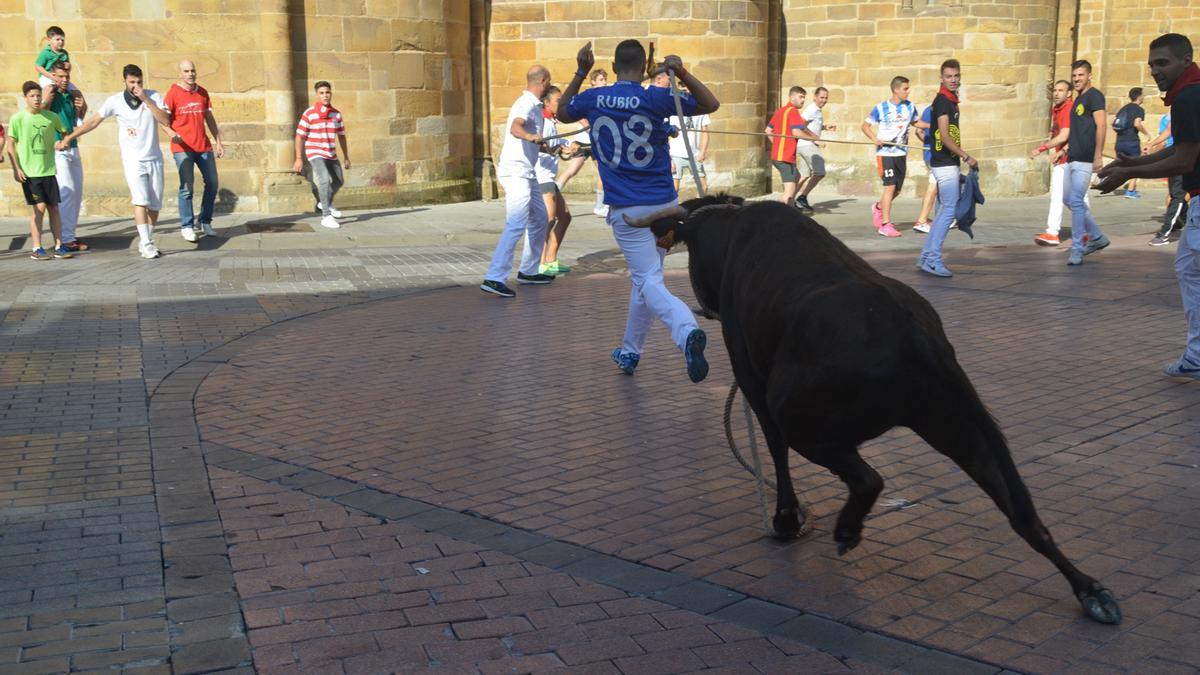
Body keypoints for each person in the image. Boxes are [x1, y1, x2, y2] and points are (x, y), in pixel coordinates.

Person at [559, 40, 718, 382]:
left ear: (614, 67)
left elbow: (561, 112)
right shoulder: (654, 97)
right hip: (664, 206)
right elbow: (711, 104)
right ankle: (630, 352)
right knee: (646, 280)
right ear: (646, 65)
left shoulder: (593, 97)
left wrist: (581, 71)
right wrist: (682, 72)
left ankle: (686, 329)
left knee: (647, 280)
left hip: (629, 210)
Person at [1098, 33, 1200, 380]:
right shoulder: (1193, 91)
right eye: (1152, 65)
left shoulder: (1188, 98)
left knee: (1190, 270)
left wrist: (1127, 171)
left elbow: (1184, 161)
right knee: (1189, 268)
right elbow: (1180, 149)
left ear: (1185, 60)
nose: (1156, 71)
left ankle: (1198, 355)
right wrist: (1131, 166)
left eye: (1163, 63)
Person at [59, 64, 171, 260]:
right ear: (124, 81)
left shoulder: (153, 96)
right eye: (132, 82)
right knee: (141, 200)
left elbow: (165, 120)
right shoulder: (115, 101)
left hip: (154, 157)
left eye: (139, 82)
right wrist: (69, 138)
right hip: (133, 159)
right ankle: (146, 242)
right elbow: (93, 121)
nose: (136, 86)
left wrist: (146, 99)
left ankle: (147, 241)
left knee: (154, 205)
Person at [480, 65, 555, 298]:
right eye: (548, 83)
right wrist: (530, 135)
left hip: (527, 171)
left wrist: (549, 146)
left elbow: (531, 139)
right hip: (516, 171)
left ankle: (529, 271)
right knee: (516, 221)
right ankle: (494, 277)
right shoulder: (526, 103)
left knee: (541, 218)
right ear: (542, 81)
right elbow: (516, 128)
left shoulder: (534, 105)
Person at [918, 59, 978, 277]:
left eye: (956, 76)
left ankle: (926, 256)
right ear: (941, 78)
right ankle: (933, 259)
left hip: (946, 162)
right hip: (944, 163)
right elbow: (944, 136)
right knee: (949, 211)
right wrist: (966, 156)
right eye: (949, 76)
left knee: (945, 211)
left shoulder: (950, 101)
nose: (953, 80)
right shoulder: (943, 101)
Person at [6, 81, 72, 260]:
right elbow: (10, 144)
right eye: (32, 96)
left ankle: (59, 246)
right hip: (30, 173)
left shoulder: (51, 117)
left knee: (54, 208)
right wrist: (16, 168)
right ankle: (37, 248)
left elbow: (64, 133)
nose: (36, 99)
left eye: (38, 95)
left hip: (49, 170)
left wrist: (61, 143)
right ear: (25, 98)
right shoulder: (18, 118)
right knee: (39, 209)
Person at [165, 59, 225, 242]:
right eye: (186, 71)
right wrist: (171, 134)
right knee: (187, 187)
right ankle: (187, 225)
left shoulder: (202, 93)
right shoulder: (173, 93)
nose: (190, 74)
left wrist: (218, 142)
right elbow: (163, 120)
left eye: (193, 70)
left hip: (203, 146)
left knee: (213, 183)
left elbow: (210, 118)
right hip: (182, 148)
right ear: (180, 73)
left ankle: (205, 221)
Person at [862, 77, 923, 237]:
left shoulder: (910, 107)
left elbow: (916, 123)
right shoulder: (881, 107)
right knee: (889, 187)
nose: (908, 91)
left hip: (901, 153)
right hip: (885, 154)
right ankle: (885, 224)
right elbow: (865, 126)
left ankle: (878, 207)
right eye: (905, 88)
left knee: (897, 190)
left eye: (908, 88)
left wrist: (935, 125)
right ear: (896, 90)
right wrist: (875, 139)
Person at [1063, 60, 1110, 266]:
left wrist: (1098, 156)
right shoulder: (1078, 99)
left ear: (1089, 76)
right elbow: (1078, 129)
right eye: (1074, 76)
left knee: (1075, 200)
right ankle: (1097, 237)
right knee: (1068, 199)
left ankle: (1077, 248)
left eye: (1081, 75)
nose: (1076, 79)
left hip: (1085, 159)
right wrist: (1064, 149)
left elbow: (1101, 125)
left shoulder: (1095, 96)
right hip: (1072, 157)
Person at [44, 61, 89, 253]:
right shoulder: (48, 92)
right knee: (67, 191)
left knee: (76, 192)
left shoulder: (70, 93)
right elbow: (40, 114)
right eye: (60, 76)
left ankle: (70, 235)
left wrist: (82, 107)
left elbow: (77, 119)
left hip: (73, 146)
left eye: (66, 76)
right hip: (58, 148)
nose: (64, 79)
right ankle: (64, 239)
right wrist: (46, 98)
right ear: (53, 75)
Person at [1028, 80, 1080, 247]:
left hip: (1070, 159)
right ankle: (1088, 228)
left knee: (1059, 196)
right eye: (1055, 90)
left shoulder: (1068, 108)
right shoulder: (1058, 109)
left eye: (1061, 90)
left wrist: (1042, 148)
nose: (1057, 93)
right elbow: (1059, 132)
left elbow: (1065, 135)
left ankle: (1052, 232)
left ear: (1069, 93)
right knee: (1070, 199)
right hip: (1064, 158)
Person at [293, 81, 349, 229]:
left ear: (331, 93)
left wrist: (346, 157)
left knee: (339, 181)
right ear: (317, 95)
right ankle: (325, 215)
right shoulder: (309, 113)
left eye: (327, 92)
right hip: (315, 152)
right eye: (322, 93)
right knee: (324, 179)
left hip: (330, 152)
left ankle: (325, 202)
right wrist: (298, 158)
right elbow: (299, 136)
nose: (325, 95)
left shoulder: (336, 115)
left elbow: (342, 136)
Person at [537, 84, 573, 277]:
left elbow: (554, 142)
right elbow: (542, 145)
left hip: (549, 174)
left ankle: (550, 259)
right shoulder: (542, 121)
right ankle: (539, 262)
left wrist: (567, 145)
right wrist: (560, 148)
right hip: (542, 175)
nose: (560, 104)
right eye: (558, 101)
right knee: (548, 219)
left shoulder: (551, 121)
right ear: (547, 102)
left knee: (565, 216)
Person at [766, 86, 820, 206]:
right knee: (789, 192)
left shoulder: (780, 111)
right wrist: (814, 140)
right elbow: (797, 132)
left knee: (797, 176)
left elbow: (768, 130)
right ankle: (782, 217)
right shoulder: (793, 111)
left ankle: (783, 208)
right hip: (785, 157)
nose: (803, 100)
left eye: (804, 97)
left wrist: (777, 144)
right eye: (800, 97)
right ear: (792, 97)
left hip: (778, 156)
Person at [1145, 114, 1189, 246]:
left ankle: (1165, 233)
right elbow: (1169, 129)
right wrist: (1152, 143)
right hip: (1176, 155)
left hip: (1188, 156)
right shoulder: (1177, 105)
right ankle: (1181, 222)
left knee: (1178, 196)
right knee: (1176, 193)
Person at [795, 86, 836, 212]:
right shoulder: (812, 109)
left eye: (826, 98)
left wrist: (824, 127)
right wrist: (815, 139)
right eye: (821, 97)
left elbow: (811, 125)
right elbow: (800, 124)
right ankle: (802, 197)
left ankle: (788, 198)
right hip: (808, 145)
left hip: (803, 145)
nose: (824, 100)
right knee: (820, 172)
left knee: (804, 175)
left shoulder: (816, 110)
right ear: (815, 97)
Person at [668, 91, 711, 196]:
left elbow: (705, 133)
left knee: (703, 187)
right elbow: (664, 134)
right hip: (675, 155)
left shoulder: (701, 111)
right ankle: (673, 211)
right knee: (674, 188)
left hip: (694, 155)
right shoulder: (672, 109)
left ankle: (696, 209)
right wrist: (669, 158)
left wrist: (703, 152)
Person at [1113, 87, 1149, 198]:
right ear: (1139, 97)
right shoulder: (1138, 109)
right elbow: (1137, 123)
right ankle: (1130, 191)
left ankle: (1106, 176)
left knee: (1121, 164)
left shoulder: (1123, 108)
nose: (1143, 97)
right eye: (1142, 95)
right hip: (1131, 142)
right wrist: (1146, 133)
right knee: (1135, 166)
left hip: (1119, 141)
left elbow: (1114, 123)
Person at [913, 104, 938, 233]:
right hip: (936, 155)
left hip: (929, 153)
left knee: (939, 186)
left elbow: (918, 131)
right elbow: (917, 128)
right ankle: (922, 221)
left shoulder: (929, 109)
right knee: (934, 186)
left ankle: (942, 217)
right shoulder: (941, 109)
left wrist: (928, 143)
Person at [34, 26, 70, 100]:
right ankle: (44, 107)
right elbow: (38, 66)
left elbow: (68, 68)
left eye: (62, 40)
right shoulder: (45, 53)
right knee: (49, 90)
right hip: (47, 77)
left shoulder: (64, 53)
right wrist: (50, 76)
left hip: (61, 78)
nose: (61, 42)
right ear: (49, 40)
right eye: (57, 39)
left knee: (75, 92)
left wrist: (68, 66)